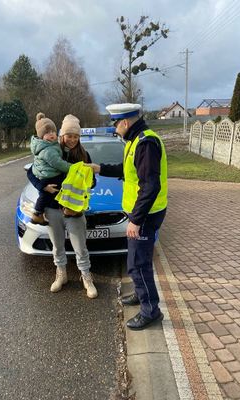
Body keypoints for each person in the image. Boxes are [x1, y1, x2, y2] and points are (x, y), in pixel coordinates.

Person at [87, 103, 167, 329]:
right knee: (135, 261)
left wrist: (136, 220)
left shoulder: (146, 143)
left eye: (115, 124)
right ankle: (141, 296)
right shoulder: (134, 141)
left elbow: (150, 185)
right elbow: (127, 170)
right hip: (142, 213)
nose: (114, 129)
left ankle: (150, 311)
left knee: (138, 264)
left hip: (146, 215)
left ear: (124, 122)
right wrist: (99, 168)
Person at [28, 114, 98, 299]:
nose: (72, 139)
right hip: (52, 208)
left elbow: (93, 182)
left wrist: (83, 183)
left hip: (74, 210)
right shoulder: (50, 149)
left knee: (80, 247)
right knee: (57, 246)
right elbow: (31, 173)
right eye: (69, 135)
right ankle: (61, 274)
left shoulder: (83, 155)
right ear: (61, 135)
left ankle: (86, 277)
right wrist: (42, 186)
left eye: (76, 136)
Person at [29, 112, 72, 225]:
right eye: (47, 133)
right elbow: (58, 163)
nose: (52, 134)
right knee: (47, 193)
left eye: (53, 131)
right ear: (41, 136)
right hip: (48, 176)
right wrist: (72, 168)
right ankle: (37, 213)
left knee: (51, 192)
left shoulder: (50, 145)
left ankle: (40, 213)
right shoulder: (48, 150)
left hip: (47, 174)